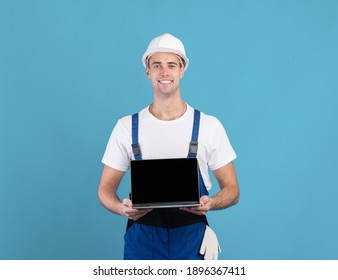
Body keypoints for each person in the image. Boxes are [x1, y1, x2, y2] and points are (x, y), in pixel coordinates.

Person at [97, 33, 240, 260]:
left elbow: (232, 189)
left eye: (172, 65)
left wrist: (211, 203)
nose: (164, 72)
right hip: (142, 240)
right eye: (157, 65)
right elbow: (104, 189)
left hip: (193, 240)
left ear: (182, 70)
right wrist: (121, 208)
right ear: (148, 71)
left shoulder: (208, 126)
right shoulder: (126, 127)